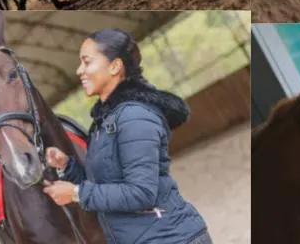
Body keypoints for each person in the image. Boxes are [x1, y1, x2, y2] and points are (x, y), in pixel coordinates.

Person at [42, 28, 211, 244]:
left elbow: (141, 193)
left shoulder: (135, 117)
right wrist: (67, 167)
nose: (79, 70)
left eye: (87, 62)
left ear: (115, 66)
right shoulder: (105, 121)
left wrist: (76, 193)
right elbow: (105, 185)